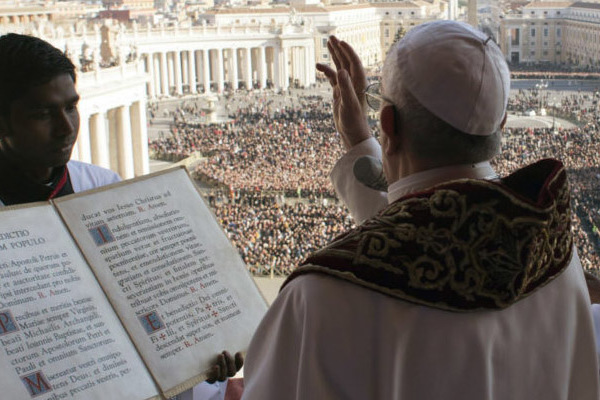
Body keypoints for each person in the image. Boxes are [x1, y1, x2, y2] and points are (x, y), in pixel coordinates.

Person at [242, 21, 600, 399]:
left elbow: (408, 255)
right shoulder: (557, 258)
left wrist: (362, 140)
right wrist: (360, 141)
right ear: (501, 125)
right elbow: (435, 242)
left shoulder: (318, 299)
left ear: (388, 124)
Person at [0, 33, 242, 399]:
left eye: (70, 107)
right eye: (42, 113)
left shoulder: (103, 186)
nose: (66, 127)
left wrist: (200, 361)